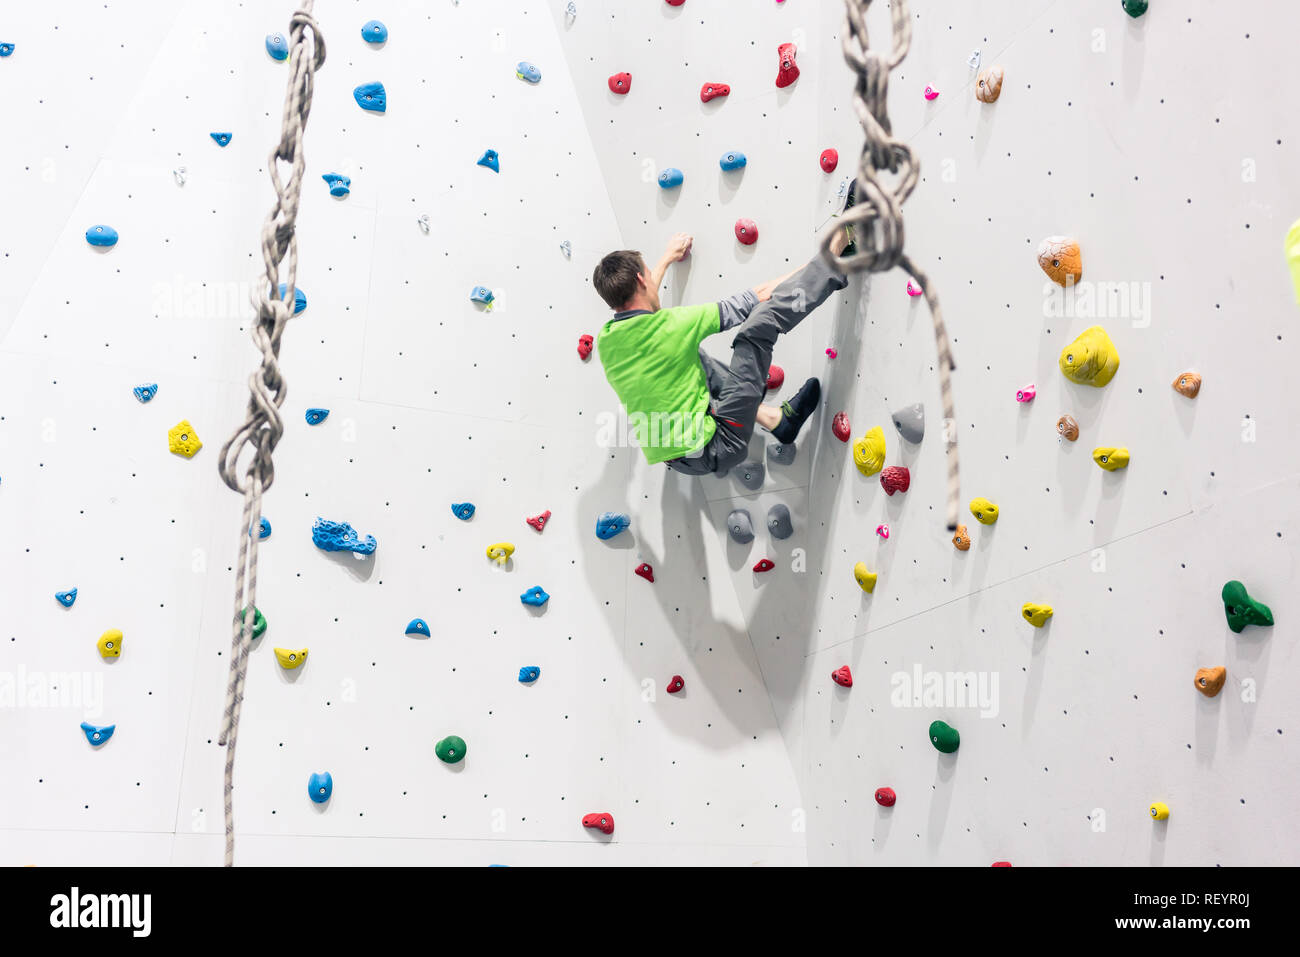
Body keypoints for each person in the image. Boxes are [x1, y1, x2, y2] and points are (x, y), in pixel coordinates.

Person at [591, 205, 856, 476]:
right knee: (758, 326)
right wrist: (814, 265)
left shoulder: (608, 340)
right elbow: (759, 295)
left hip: (678, 461)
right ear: (640, 279)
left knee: (689, 358)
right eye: (647, 274)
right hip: (722, 444)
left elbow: (639, 304)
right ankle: (837, 251)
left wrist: (667, 259)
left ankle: (777, 421)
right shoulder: (675, 325)